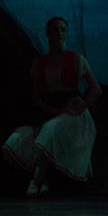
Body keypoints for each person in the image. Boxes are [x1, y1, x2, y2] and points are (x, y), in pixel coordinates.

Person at [2, 16, 102, 196]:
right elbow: (37, 97)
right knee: (18, 139)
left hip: (74, 115)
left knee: (50, 130)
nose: (59, 33)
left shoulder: (76, 59)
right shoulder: (40, 63)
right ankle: (44, 179)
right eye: (55, 30)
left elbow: (96, 89)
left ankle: (37, 181)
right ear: (48, 33)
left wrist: (80, 108)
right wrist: (54, 111)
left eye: (63, 30)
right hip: (51, 111)